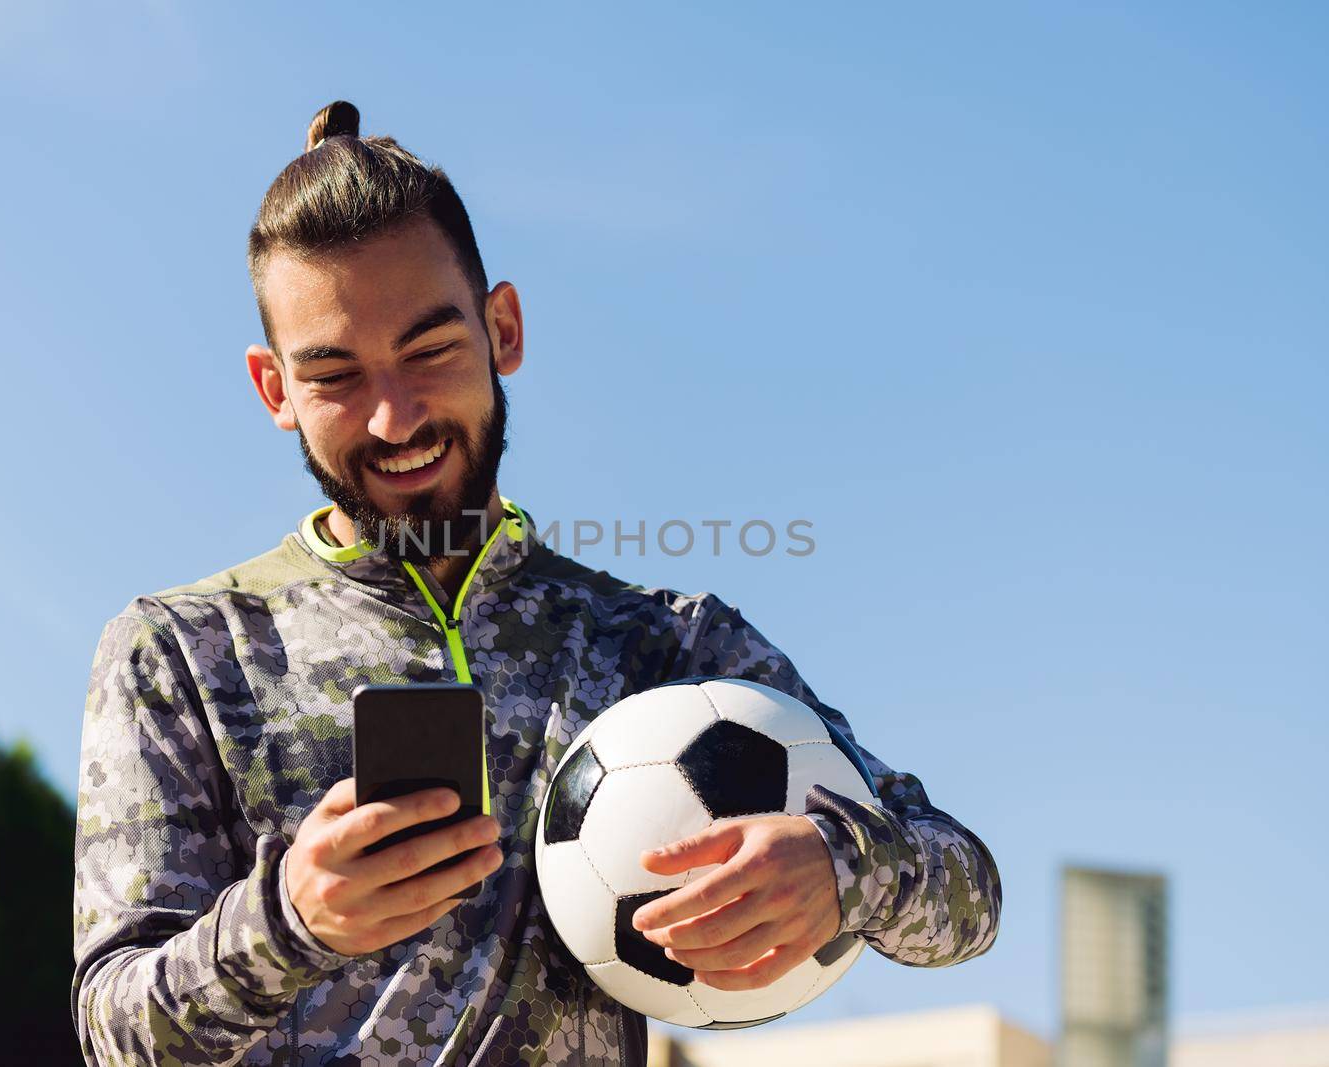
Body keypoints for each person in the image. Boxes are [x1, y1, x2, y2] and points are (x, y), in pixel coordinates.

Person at [70, 100, 1001, 1067]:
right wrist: (289, 919)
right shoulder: (179, 650)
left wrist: (843, 869)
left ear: (502, 329)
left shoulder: (661, 647)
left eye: (430, 351)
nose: (393, 419)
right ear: (276, 391)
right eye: (336, 375)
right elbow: (115, 1034)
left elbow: (968, 892)